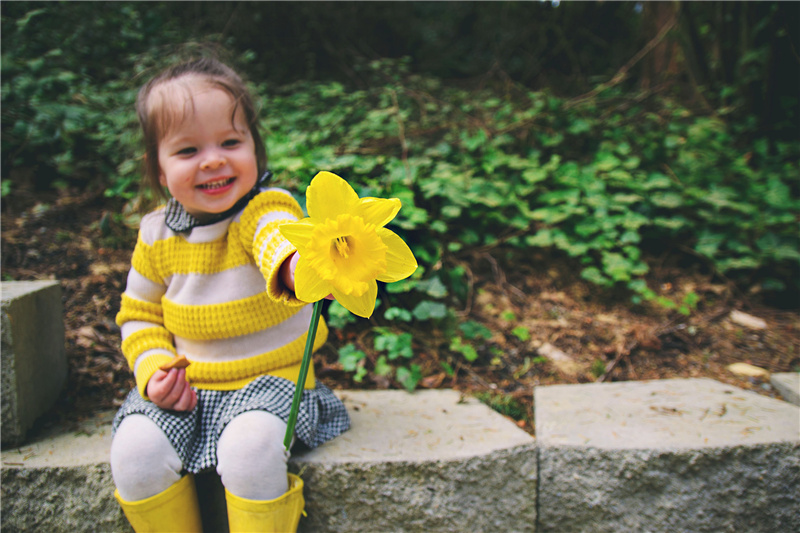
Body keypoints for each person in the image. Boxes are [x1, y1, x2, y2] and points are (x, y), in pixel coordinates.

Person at [109, 56, 350, 533]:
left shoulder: (263, 210)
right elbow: (138, 315)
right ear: (157, 168)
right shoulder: (157, 234)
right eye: (187, 150)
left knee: (249, 450)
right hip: (187, 390)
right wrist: (154, 369)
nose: (214, 159)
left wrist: (301, 267)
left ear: (255, 150)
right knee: (134, 452)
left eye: (231, 142)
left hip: (272, 385)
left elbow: (276, 241)